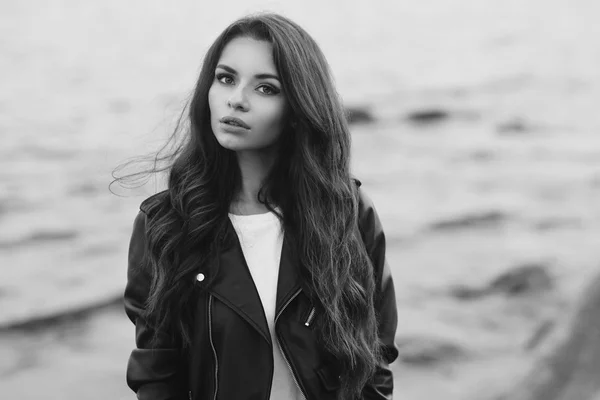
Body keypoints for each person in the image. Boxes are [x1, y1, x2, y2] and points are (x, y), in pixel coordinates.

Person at [120, 12, 398, 400]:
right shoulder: (165, 225)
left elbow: (376, 359)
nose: (236, 99)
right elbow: (156, 375)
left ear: (298, 109)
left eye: (265, 88)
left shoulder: (347, 213)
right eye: (226, 78)